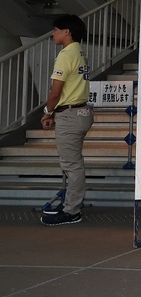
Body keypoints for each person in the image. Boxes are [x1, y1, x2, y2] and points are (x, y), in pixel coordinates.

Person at [40, 14, 94, 226]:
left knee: (72, 165)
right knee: (74, 163)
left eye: (55, 29)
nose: (53, 33)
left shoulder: (66, 54)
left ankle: (72, 210)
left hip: (70, 114)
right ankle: (70, 204)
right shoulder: (80, 52)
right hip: (81, 111)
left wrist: (48, 112)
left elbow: (56, 91)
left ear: (66, 32)